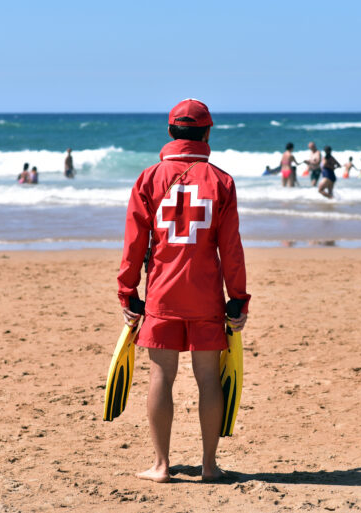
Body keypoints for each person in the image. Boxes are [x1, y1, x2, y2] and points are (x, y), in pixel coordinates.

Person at [117, 99, 250, 483]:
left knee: (161, 375)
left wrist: (128, 292)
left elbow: (133, 243)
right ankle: (209, 466)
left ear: (171, 132)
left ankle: (161, 465)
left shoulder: (148, 178)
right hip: (206, 293)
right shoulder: (222, 182)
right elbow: (232, 247)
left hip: (162, 292)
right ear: (207, 134)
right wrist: (238, 297)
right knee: (208, 378)